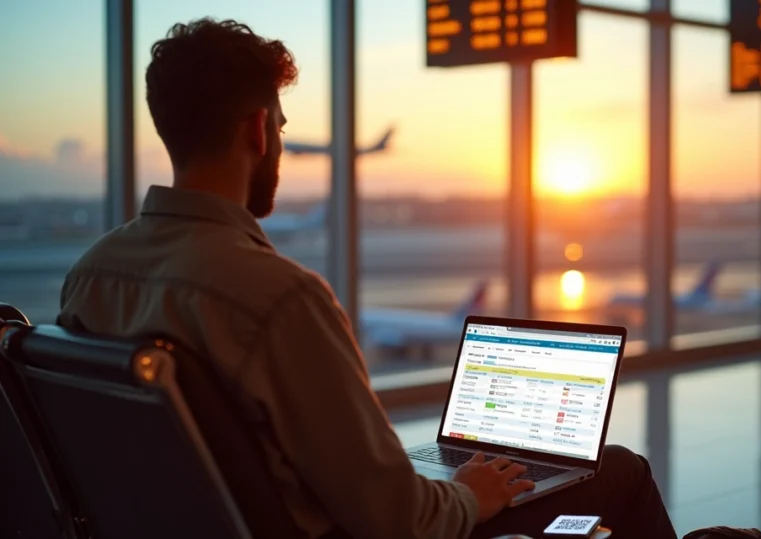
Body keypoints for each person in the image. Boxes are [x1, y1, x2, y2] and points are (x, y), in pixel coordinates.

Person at [55, 19, 681, 539]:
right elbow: (398, 521)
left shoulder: (92, 274)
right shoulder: (277, 298)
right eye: (279, 124)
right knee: (620, 469)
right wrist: (468, 494)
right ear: (256, 130)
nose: (276, 138)